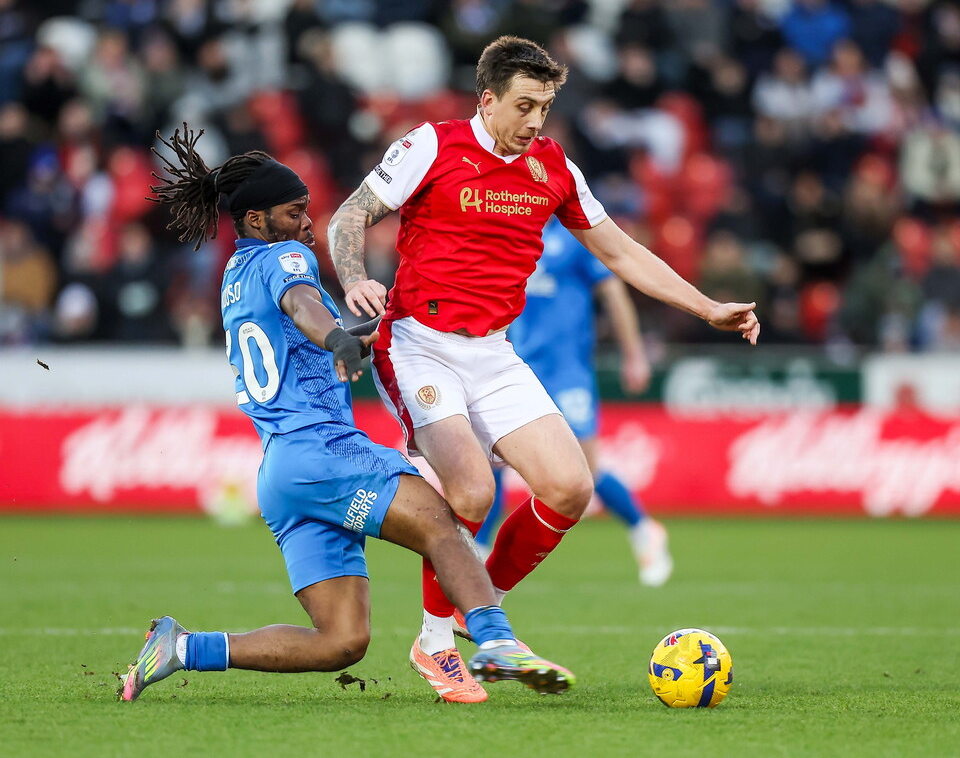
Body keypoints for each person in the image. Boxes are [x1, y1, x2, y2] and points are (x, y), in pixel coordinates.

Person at [326, 36, 760, 703]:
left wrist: (707, 308)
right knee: (470, 492)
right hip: (418, 342)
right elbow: (351, 214)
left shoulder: (555, 167)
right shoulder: (432, 146)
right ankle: (439, 642)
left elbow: (620, 253)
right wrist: (355, 280)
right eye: (524, 106)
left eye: (546, 108)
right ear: (488, 98)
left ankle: (483, 607)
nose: (535, 122)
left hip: (494, 352)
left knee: (569, 488)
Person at [119, 124, 575, 704]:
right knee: (445, 521)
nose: (307, 224)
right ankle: (492, 640)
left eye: (307, 211)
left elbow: (300, 327)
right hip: (324, 452)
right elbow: (302, 304)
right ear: (257, 220)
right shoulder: (283, 258)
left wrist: (359, 334)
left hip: (282, 474)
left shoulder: (235, 275)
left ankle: (182, 648)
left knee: (341, 641)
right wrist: (336, 335)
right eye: (294, 212)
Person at [476, 216, 673, 587]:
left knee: (586, 468)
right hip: (514, 365)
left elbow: (613, 292)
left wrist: (634, 355)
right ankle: (479, 553)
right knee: (493, 460)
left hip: (567, 370)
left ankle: (644, 528)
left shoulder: (575, 235)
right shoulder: (510, 232)